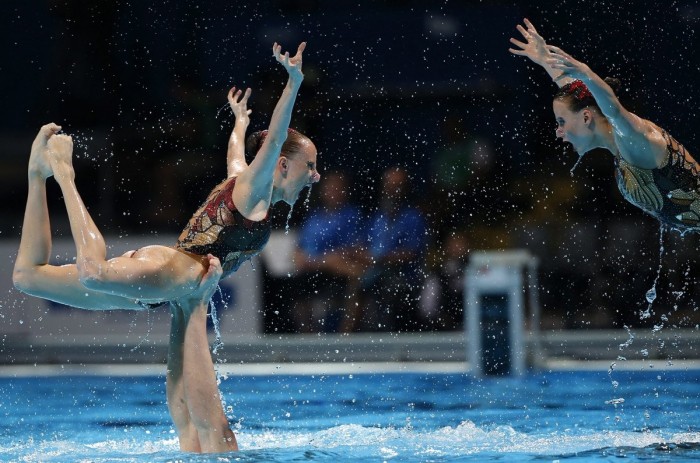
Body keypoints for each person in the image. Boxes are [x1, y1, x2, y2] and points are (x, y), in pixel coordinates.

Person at [12, 42, 320, 453]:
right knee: (93, 271)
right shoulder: (255, 189)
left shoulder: (245, 182)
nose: (315, 176)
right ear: (281, 164)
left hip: (162, 289)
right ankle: (65, 175)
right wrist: (294, 82)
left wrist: (239, 124)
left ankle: (36, 174)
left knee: (27, 277)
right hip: (174, 271)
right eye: (310, 166)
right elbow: (278, 135)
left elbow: (235, 158)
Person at [509, 19, 700, 233]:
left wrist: (586, 73)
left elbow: (612, 109)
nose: (558, 131)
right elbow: (581, 99)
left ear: (586, 118)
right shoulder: (619, 141)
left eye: (561, 122)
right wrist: (545, 61)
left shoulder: (634, 137)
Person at [292, 171, 365, 332]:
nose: (334, 192)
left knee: (357, 278)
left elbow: (357, 249)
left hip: (340, 270)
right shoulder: (314, 217)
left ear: (345, 190)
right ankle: (308, 335)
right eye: (330, 188)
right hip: (316, 267)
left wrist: (329, 259)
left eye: (338, 188)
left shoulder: (351, 215)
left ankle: (345, 334)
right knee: (295, 284)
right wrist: (320, 261)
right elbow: (299, 251)